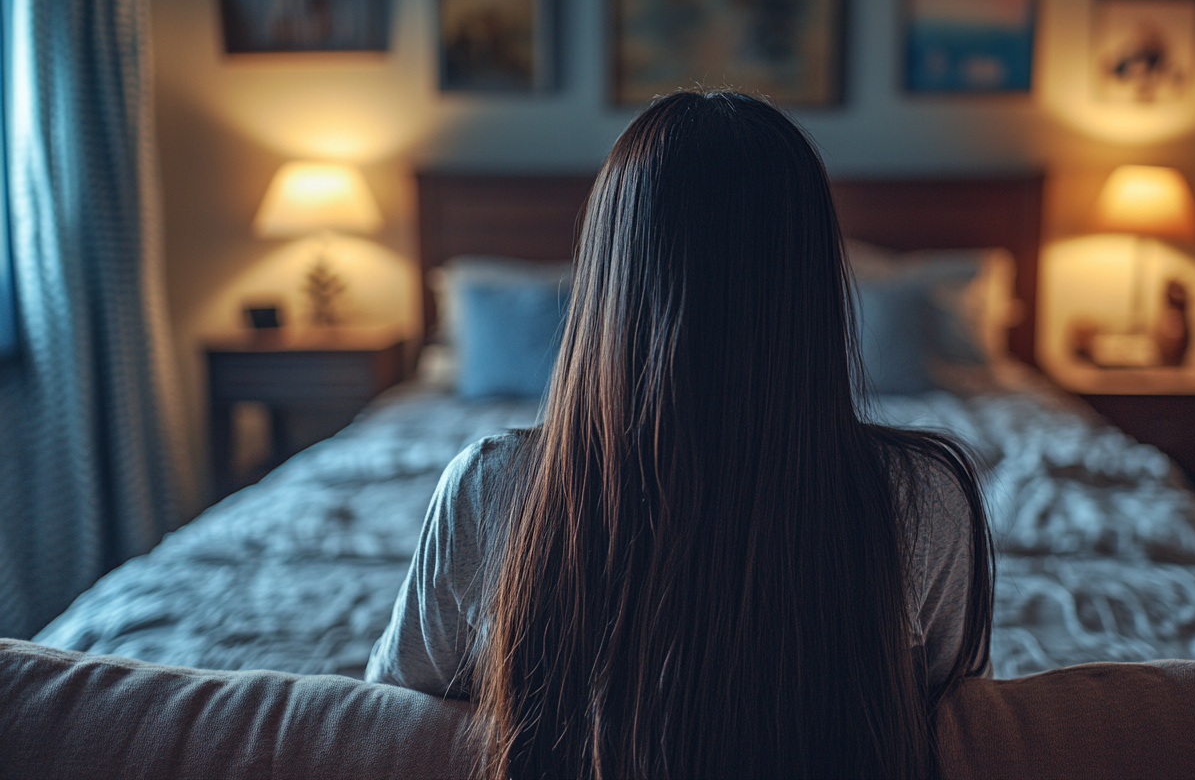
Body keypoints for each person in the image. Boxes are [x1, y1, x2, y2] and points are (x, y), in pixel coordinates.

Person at [365, 90, 994, 780]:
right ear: (812, 283)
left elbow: (391, 727)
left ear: (606, 279)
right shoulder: (926, 498)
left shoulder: (491, 486)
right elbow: (958, 742)